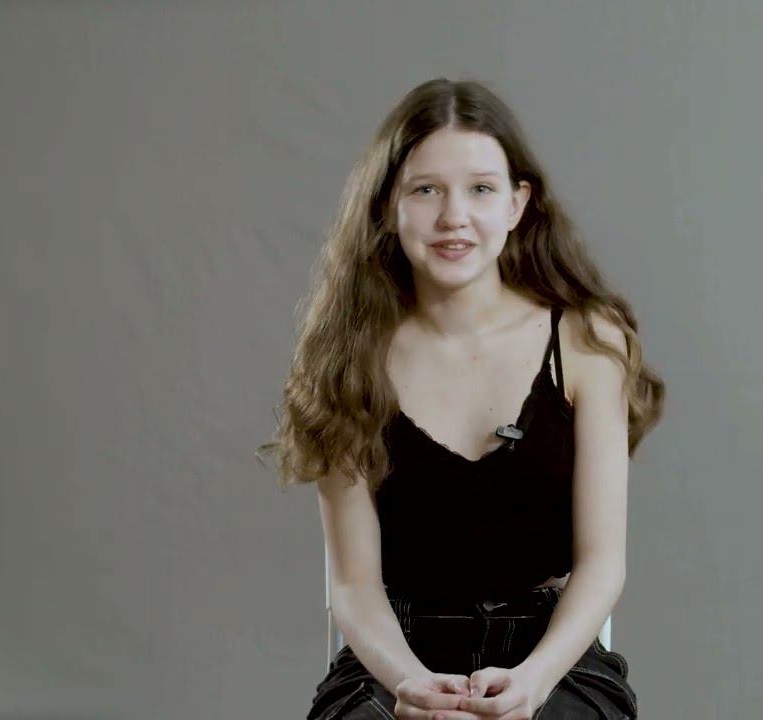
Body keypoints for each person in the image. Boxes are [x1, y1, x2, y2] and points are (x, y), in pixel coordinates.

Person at [258, 77, 665, 719]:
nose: (454, 217)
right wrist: (411, 686)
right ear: (388, 204)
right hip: (394, 658)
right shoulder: (346, 357)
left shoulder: (588, 340)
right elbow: (355, 586)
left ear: (517, 203)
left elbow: (601, 564)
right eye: (426, 190)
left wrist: (533, 682)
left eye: (481, 189)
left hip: (550, 656)